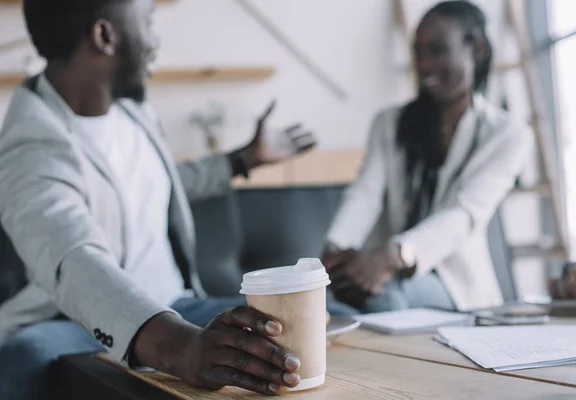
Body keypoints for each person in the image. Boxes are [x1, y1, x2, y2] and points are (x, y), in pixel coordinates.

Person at [0, 0, 354, 398]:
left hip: (178, 303)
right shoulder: (31, 145)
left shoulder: (132, 108)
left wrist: (241, 160)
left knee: (341, 324)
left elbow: (151, 185)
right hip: (74, 320)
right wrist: (180, 348)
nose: (156, 40)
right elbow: (72, 253)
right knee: (20, 359)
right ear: (104, 36)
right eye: (148, 20)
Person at [322, 0, 533, 314]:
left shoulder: (508, 134)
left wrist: (394, 255)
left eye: (436, 50)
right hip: (382, 271)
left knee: (387, 292)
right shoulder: (390, 122)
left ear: (475, 47)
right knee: (335, 296)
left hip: (453, 284)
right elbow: (366, 193)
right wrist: (335, 249)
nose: (424, 65)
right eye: (418, 52)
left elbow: (464, 214)